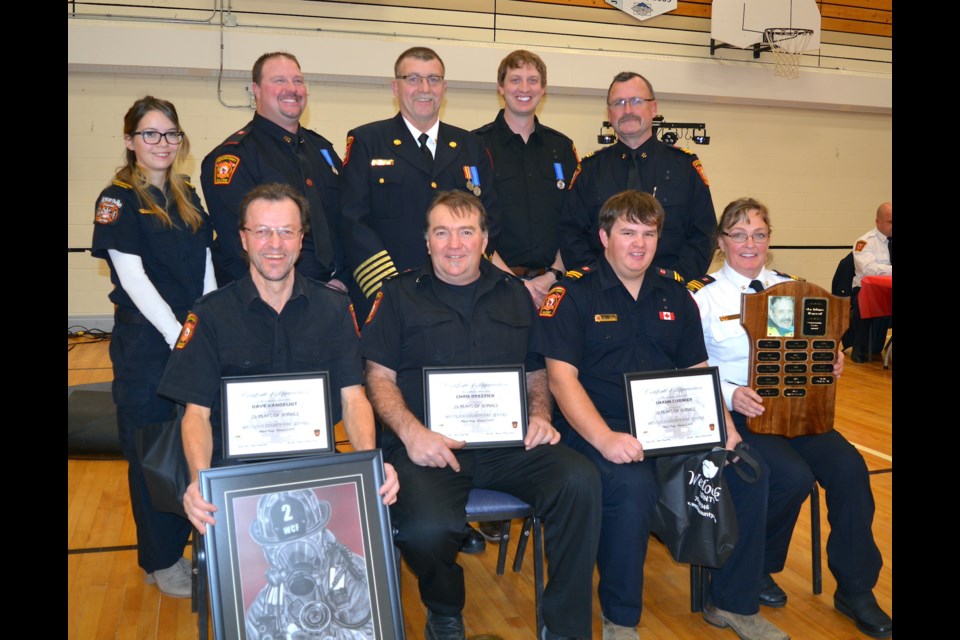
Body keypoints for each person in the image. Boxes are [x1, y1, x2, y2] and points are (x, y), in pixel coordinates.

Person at [534, 191, 782, 640]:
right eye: (628, 232)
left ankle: (732, 602)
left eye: (649, 234)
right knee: (632, 487)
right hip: (593, 430)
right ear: (604, 236)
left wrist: (728, 436)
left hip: (671, 428)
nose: (639, 244)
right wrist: (607, 439)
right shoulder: (571, 292)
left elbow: (697, 371)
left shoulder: (675, 295)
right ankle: (621, 618)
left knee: (748, 471)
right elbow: (560, 381)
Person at [360, 190, 601, 640]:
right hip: (427, 447)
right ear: (427, 241)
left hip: (508, 444)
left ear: (484, 239)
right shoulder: (397, 296)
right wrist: (412, 434)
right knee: (426, 530)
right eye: (442, 233)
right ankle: (445, 609)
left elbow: (535, 371)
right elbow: (378, 377)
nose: (454, 244)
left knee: (580, 480)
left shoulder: (514, 294)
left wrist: (541, 415)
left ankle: (566, 625)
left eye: (466, 232)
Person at [687, 197, 892, 638]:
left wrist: (832, 360)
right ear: (722, 241)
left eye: (759, 234)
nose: (750, 243)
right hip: (743, 417)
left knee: (851, 469)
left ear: (769, 241)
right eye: (739, 234)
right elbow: (692, 369)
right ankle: (754, 566)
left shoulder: (794, 290)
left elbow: (821, 345)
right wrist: (731, 394)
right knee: (789, 476)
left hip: (799, 412)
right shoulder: (701, 299)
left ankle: (855, 588)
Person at [156, 183, 399, 537]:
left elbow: (353, 397)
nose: (275, 244)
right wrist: (199, 480)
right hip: (235, 475)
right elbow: (197, 414)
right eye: (262, 232)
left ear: (301, 239)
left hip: (315, 467)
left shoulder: (333, 310)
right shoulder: (211, 315)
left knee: (375, 544)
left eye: (287, 232)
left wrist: (369, 465)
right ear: (243, 238)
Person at [91, 95, 217, 598]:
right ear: (130, 141)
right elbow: (135, 279)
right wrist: (182, 337)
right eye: (150, 134)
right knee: (151, 455)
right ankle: (161, 560)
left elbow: (206, 263)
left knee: (192, 448)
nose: (162, 144)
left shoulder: (185, 192)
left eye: (170, 134)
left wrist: (207, 324)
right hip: (148, 345)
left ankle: (192, 546)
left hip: (189, 338)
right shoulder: (117, 198)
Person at [339, 46, 507, 323]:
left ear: (444, 87)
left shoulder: (471, 146)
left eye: (434, 79)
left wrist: (463, 273)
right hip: (389, 295)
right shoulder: (368, 141)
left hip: (460, 294)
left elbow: (490, 216)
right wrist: (389, 287)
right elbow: (351, 220)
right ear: (396, 87)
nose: (425, 88)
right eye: (413, 79)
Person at [201, 52, 347, 290]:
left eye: (298, 81)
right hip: (267, 300)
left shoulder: (321, 149)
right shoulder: (234, 157)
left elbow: (345, 221)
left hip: (333, 295)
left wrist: (343, 278)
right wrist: (302, 288)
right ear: (256, 90)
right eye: (279, 81)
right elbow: (240, 243)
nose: (292, 89)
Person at [558, 71, 716, 283]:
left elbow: (703, 234)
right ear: (609, 113)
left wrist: (674, 282)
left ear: (654, 108)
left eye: (636, 101)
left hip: (670, 291)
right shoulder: (590, 170)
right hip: (600, 293)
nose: (628, 110)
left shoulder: (684, 167)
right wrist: (596, 281)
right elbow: (571, 234)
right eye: (619, 103)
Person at [473, 50, 579, 309]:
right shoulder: (475, 146)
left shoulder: (563, 148)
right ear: (501, 87)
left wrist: (553, 275)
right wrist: (512, 281)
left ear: (543, 89)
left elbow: (577, 219)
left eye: (533, 80)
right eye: (515, 79)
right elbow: (470, 223)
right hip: (493, 286)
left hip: (555, 286)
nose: (524, 88)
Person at [850, 202, 892, 363]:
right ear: (878, 221)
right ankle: (858, 347)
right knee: (863, 304)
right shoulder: (864, 242)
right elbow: (869, 270)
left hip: (889, 290)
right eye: (890, 222)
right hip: (866, 290)